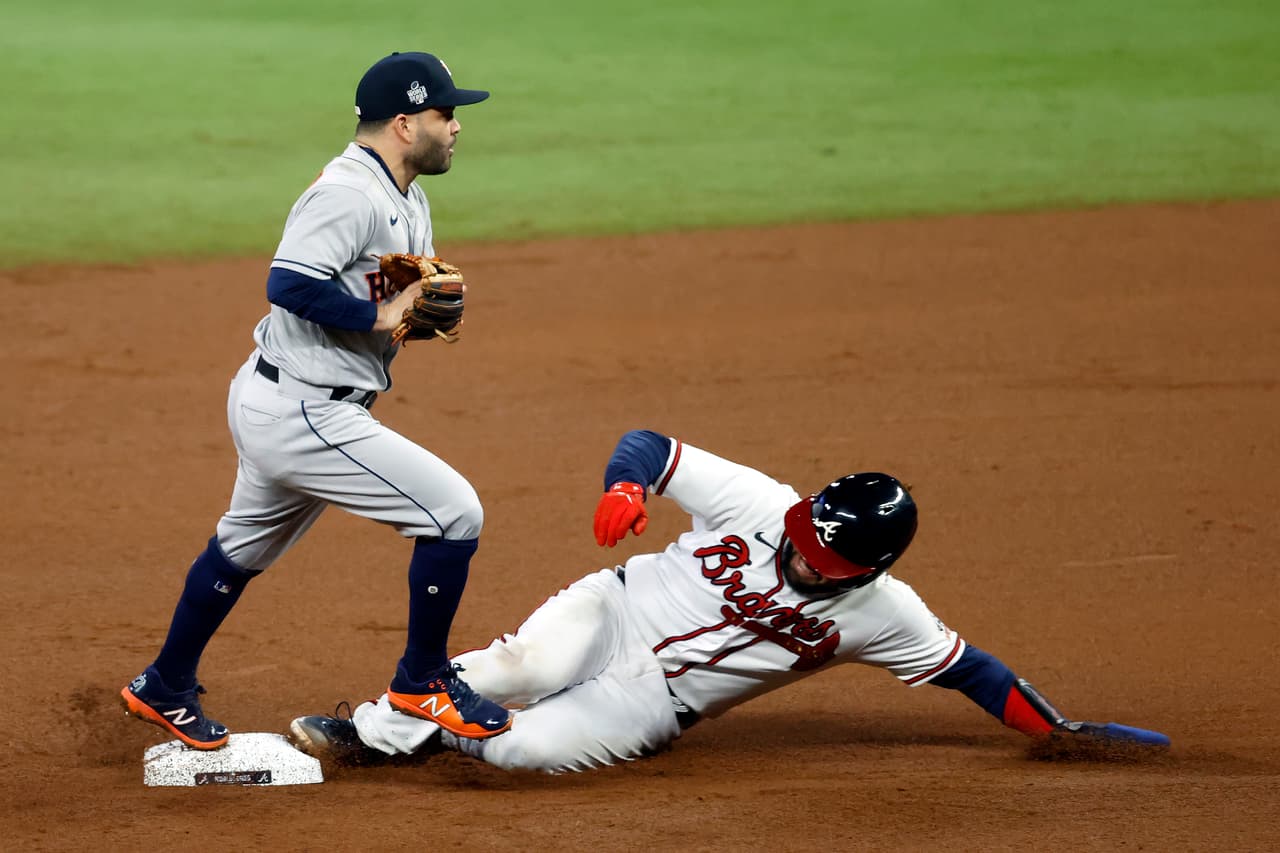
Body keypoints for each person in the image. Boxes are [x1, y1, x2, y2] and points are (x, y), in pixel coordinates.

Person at [285, 429, 1170, 773]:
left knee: (519, 755)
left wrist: (1054, 728)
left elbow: (973, 671)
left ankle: (449, 725)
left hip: (652, 702)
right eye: (804, 532)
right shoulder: (760, 501)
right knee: (527, 663)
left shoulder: (884, 615)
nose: (801, 550)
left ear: (868, 570)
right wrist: (627, 488)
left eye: (825, 556)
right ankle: (378, 731)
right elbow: (649, 445)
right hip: (617, 608)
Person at [120, 51, 511, 749]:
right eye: (444, 113)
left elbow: (377, 295)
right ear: (402, 123)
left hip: (291, 396)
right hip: (305, 409)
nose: (455, 126)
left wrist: (417, 315)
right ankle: (422, 680)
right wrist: (381, 319)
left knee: (240, 548)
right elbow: (289, 282)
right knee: (454, 512)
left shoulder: (405, 196)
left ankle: (164, 684)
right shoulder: (349, 193)